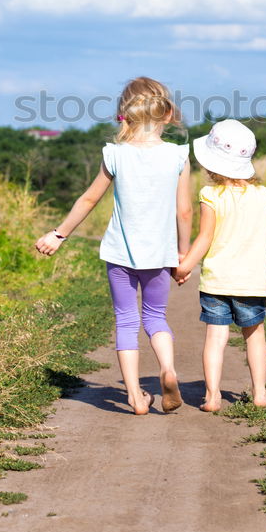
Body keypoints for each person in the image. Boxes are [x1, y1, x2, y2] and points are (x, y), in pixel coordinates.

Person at [35, 77, 192, 416]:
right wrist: (184, 254)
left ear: (124, 114)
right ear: (167, 115)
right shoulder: (178, 156)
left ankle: (135, 397)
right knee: (155, 317)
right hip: (159, 255)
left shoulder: (115, 154)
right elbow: (184, 210)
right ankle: (167, 369)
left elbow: (90, 198)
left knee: (125, 320)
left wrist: (58, 234)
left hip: (120, 254)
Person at [174, 119, 266, 411]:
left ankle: (212, 396)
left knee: (216, 337)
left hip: (216, 281)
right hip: (252, 282)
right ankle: (260, 393)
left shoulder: (210, 195)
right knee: (255, 335)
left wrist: (185, 265)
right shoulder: (263, 195)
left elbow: (205, 237)